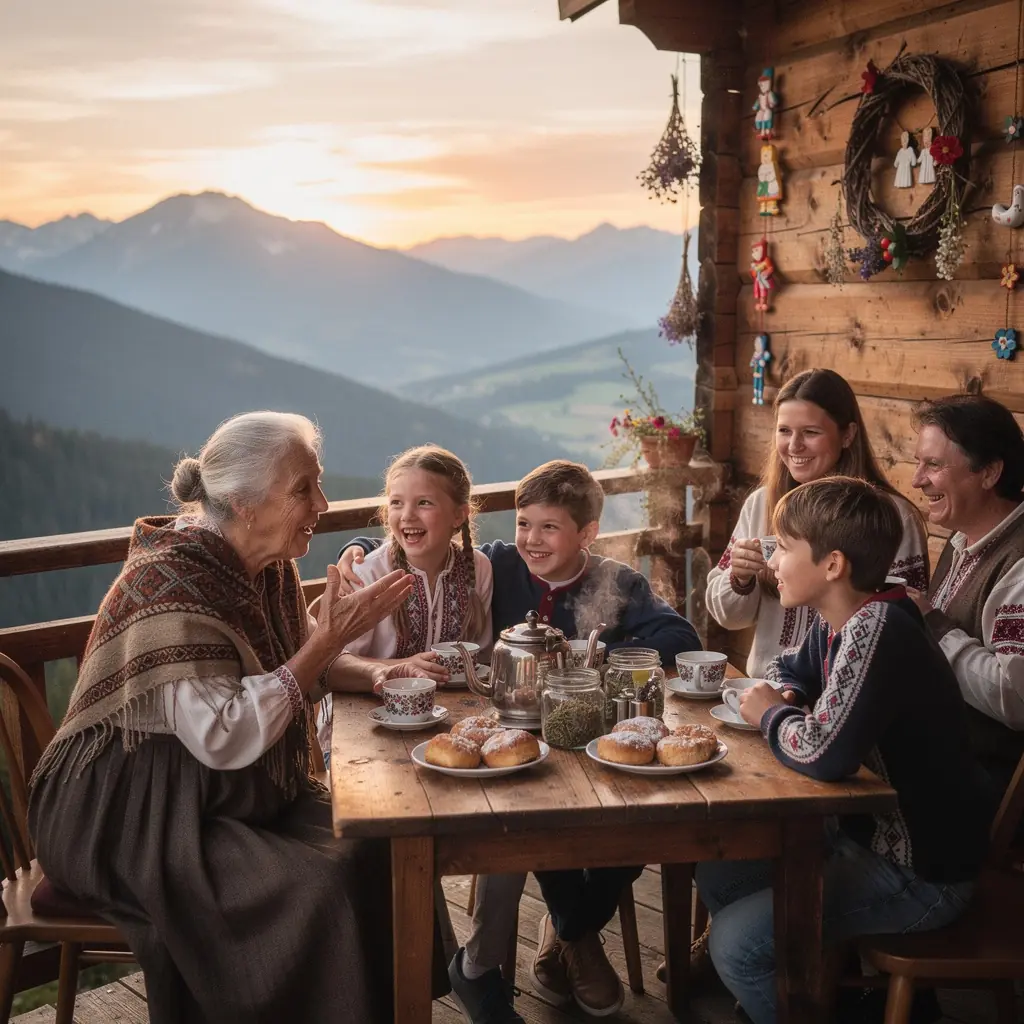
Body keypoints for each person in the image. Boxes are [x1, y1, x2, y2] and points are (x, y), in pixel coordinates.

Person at [28, 412, 420, 1024]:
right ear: (242, 503)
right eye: (303, 489)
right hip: (129, 807)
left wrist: (372, 669)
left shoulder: (263, 569)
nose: (322, 502)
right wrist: (327, 643)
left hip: (216, 787)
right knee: (316, 887)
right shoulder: (167, 585)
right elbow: (225, 732)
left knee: (384, 841)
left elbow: (294, 665)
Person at [338, 458, 702, 1021]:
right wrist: (360, 543)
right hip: (507, 733)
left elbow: (679, 636)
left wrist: (600, 650)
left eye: (549, 528)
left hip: (578, 733)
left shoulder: (615, 580)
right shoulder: (499, 564)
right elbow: (419, 533)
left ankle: (569, 934)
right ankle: (571, 940)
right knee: (532, 812)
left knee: (639, 818)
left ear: (587, 533)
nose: (532, 539)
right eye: (524, 524)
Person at [697, 477, 987, 1024]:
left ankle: (790, 998)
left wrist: (769, 712)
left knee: (734, 945)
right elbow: (790, 665)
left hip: (921, 873)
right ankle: (794, 991)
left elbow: (823, 754)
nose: (771, 559)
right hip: (860, 841)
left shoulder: (877, 627)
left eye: (782, 546)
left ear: (832, 565)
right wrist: (785, 692)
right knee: (719, 871)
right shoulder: (849, 615)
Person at [707, 368, 928, 678]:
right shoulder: (761, 503)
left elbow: (908, 622)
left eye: (810, 432)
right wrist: (739, 579)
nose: (794, 446)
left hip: (853, 695)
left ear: (848, 434)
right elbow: (730, 618)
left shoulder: (892, 517)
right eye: (784, 431)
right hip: (766, 690)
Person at [316, 444, 493, 753]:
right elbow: (334, 666)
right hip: (363, 727)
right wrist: (402, 665)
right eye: (396, 503)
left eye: (423, 502)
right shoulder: (366, 573)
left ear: (458, 515)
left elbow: (482, 659)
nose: (407, 515)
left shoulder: (478, 567)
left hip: (445, 722)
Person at [909, 394, 1024, 812]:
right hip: (943, 762)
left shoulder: (1020, 564)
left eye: (934, 465)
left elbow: (1017, 699)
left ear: (990, 472)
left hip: (978, 785)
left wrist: (935, 627)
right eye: (919, 463)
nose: (917, 480)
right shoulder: (962, 541)